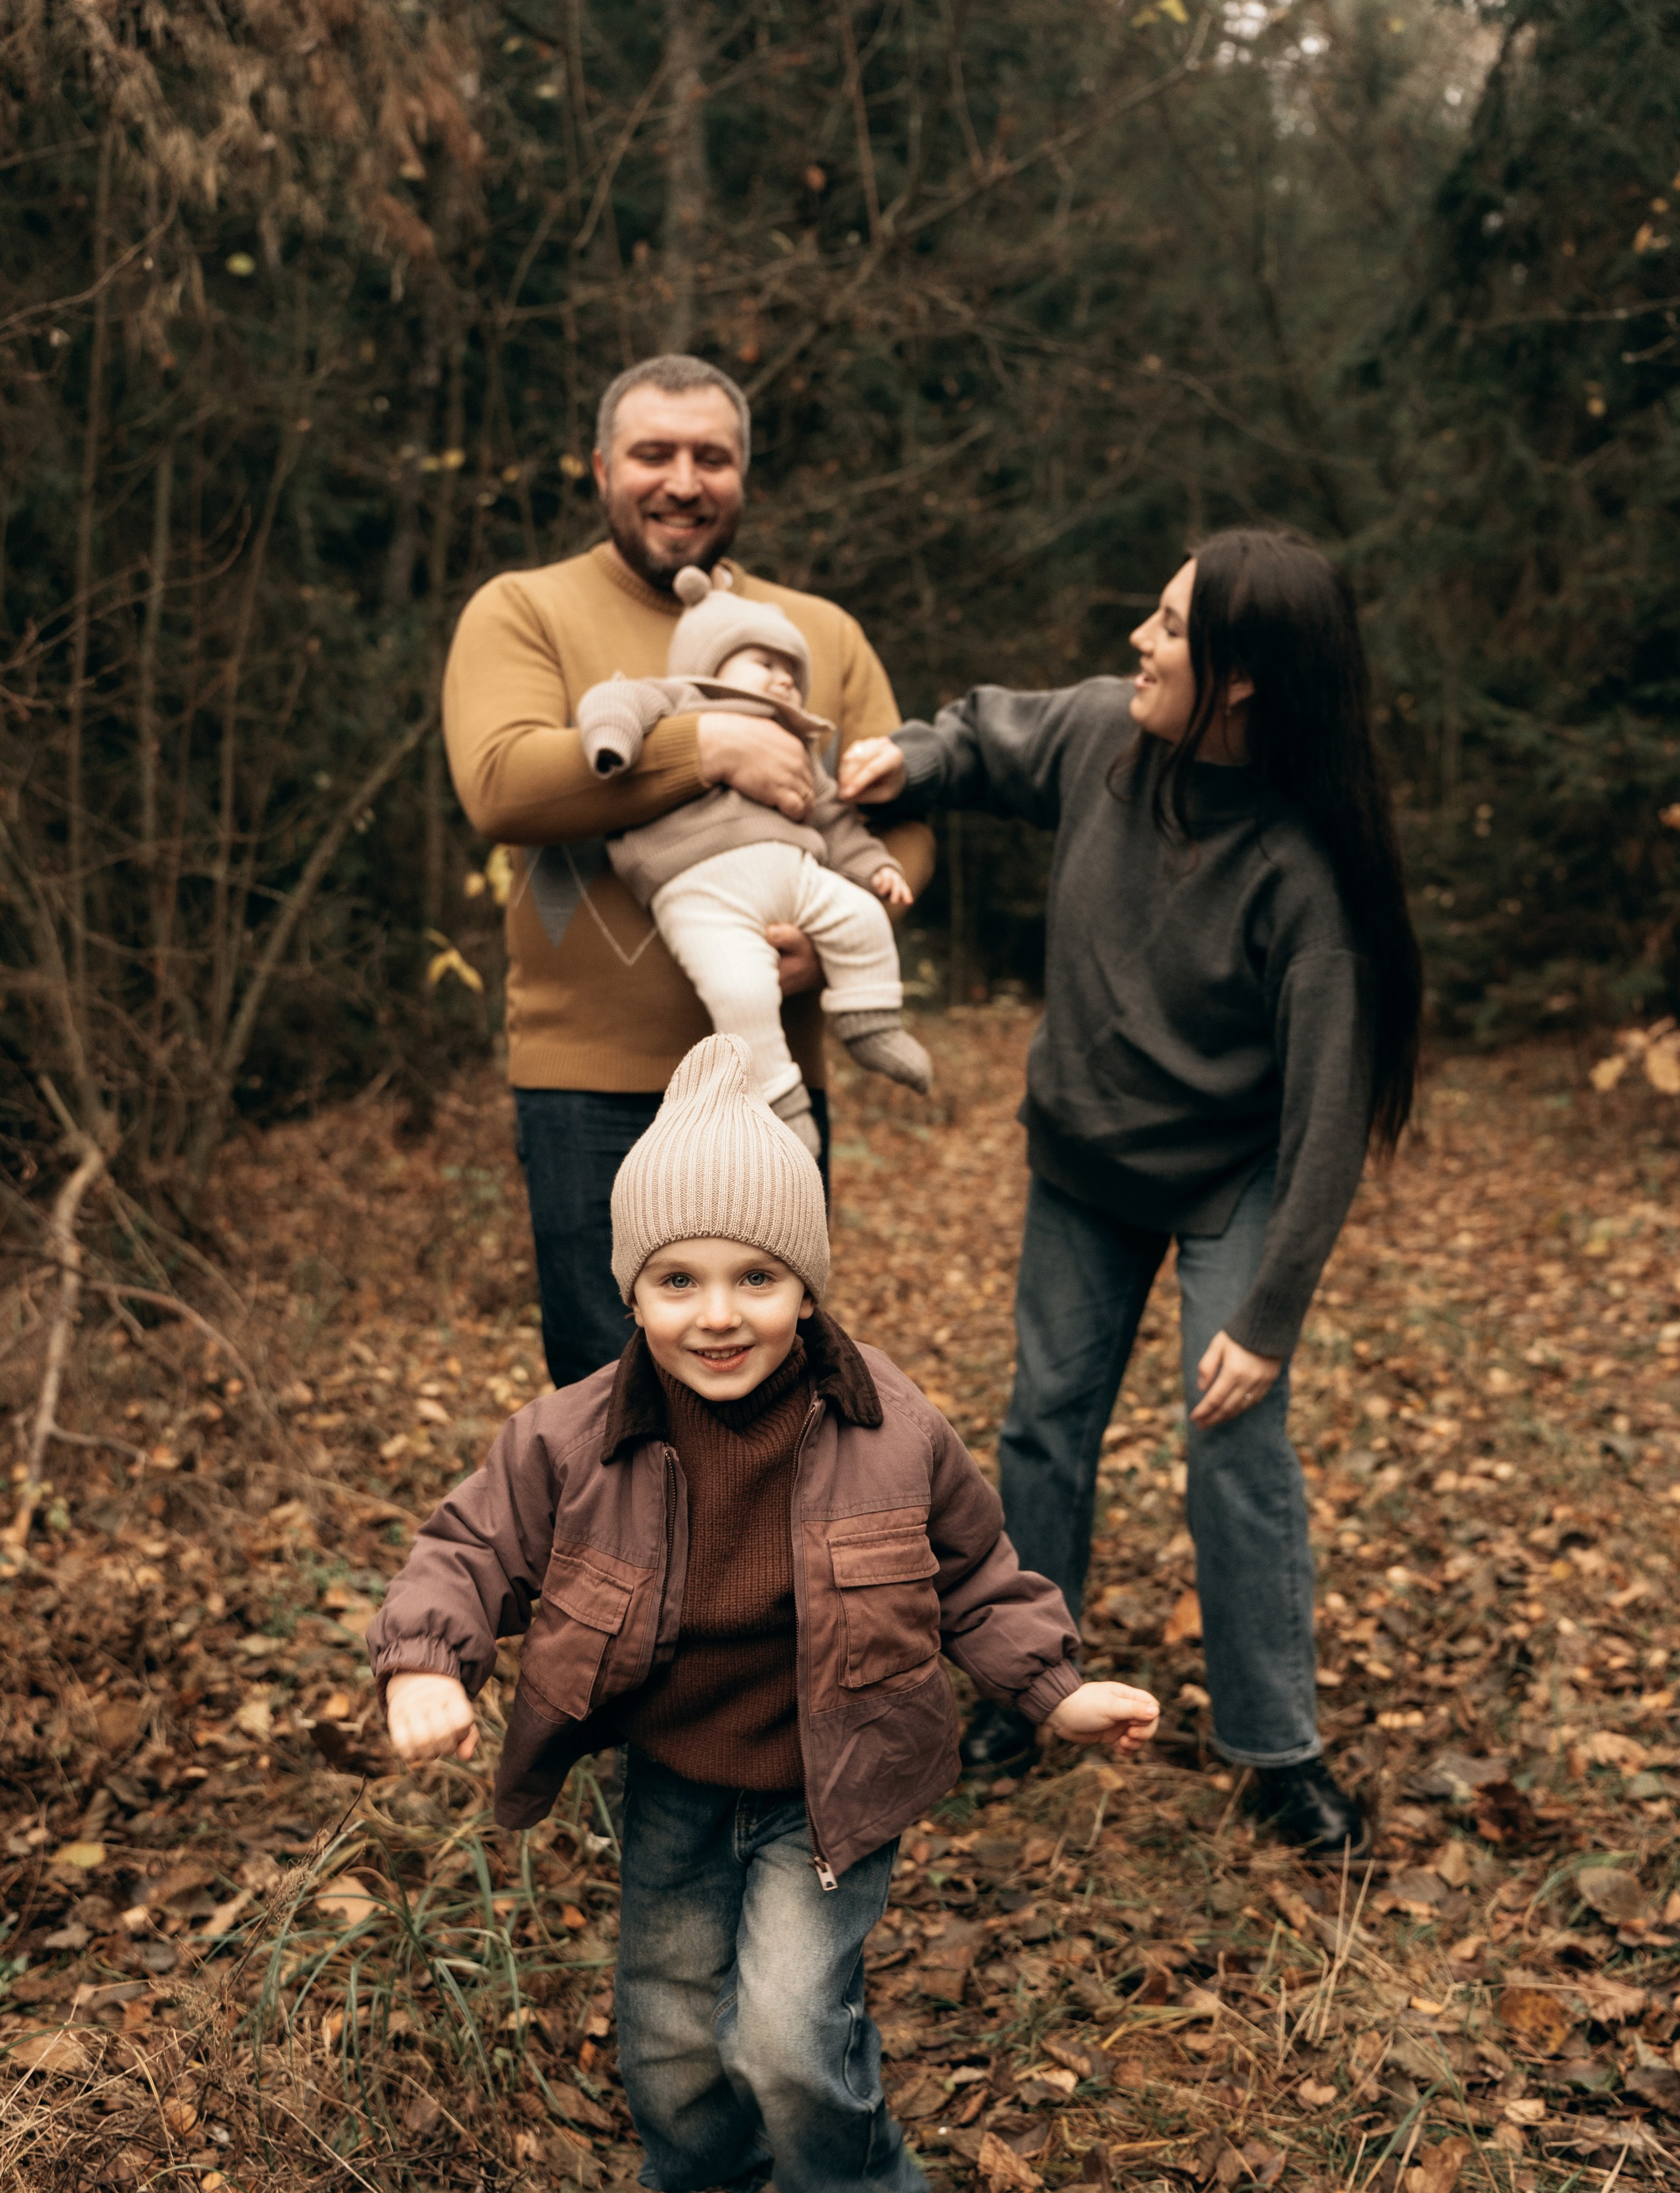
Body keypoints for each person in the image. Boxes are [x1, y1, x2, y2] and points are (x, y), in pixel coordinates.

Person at [367, 1035, 1160, 2193]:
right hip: (673, 1774)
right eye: (676, 1281)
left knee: (788, 2021)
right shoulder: (566, 1440)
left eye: (756, 1276)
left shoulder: (889, 1431)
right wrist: (428, 1660)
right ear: (632, 1291)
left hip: (830, 1779)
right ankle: (701, 2176)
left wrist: (1056, 1686)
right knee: (670, 2015)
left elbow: (976, 1574)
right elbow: (466, 1549)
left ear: (807, 1287)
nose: (716, 1314)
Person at [839, 528, 1423, 1855]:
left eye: (1166, 626)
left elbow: (1329, 1117)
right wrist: (913, 757)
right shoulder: (1105, 738)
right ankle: (1019, 1688)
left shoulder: (1301, 871)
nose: (1136, 644)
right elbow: (988, 736)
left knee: (1231, 1437)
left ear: (1238, 680)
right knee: (1044, 1421)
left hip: (1231, 1177)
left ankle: (1275, 1750)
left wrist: (1268, 1319)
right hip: (1084, 1167)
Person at [442, 354, 934, 1391]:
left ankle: (758, 1565)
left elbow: (899, 817)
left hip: (773, 1088)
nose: (682, 481)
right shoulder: (524, 610)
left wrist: (833, 942)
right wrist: (705, 746)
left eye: (711, 457)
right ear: (599, 468)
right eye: (652, 454)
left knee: (773, 1389)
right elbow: (500, 783)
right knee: (602, 1396)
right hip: (590, 1090)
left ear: (743, 475)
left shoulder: (822, 635)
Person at [575, 564, 931, 1158]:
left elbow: (835, 817)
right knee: (739, 992)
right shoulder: (679, 701)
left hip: (797, 875)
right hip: (699, 890)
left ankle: (872, 1022)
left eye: (792, 670)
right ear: (710, 663)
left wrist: (873, 868)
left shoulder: (796, 742)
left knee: (864, 918)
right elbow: (615, 697)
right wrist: (612, 738)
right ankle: (780, 1105)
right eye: (766, 664)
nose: (785, 680)